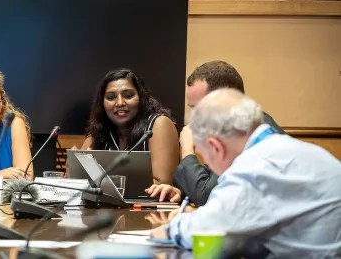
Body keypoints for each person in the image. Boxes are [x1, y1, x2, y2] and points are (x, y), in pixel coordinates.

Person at [150, 89, 341, 257]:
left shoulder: (254, 167)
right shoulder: (303, 150)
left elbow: (204, 230)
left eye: (204, 155)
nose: (207, 163)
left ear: (216, 147)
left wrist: (169, 229)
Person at [146, 61, 285, 205]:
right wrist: (180, 193)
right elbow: (213, 180)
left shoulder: (251, 133)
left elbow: (209, 198)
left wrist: (187, 149)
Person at [79, 69, 180, 184]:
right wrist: (74, 166)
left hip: (150, 202)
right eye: (111, 97)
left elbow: (162, 184)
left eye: (128, 95)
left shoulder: (159, 124)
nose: (120, 103)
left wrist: (101, 178)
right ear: (102, 104)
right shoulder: (101, 129)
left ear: (141, 98)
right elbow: (78, 175)